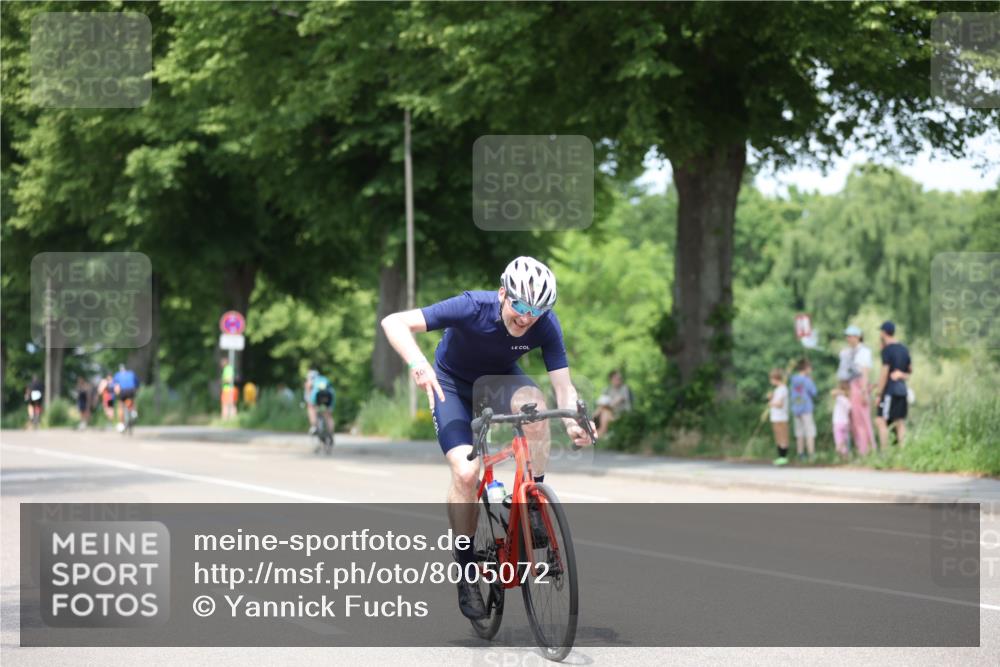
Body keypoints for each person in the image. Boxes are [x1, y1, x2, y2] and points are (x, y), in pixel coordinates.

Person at [379, 256, 595, 621]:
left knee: (538, 409)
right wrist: (419, 364)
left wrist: (575, 422)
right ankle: (465, 570)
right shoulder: (471, 306)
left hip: (500, 381)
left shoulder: (545, 325)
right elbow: (393, 321)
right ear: (502, 294)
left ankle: (533, 500)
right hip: (450, 385)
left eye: (537, 310)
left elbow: (563, 387)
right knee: (466, 473)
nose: (526, 317)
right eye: (521, 306)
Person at [837, 325, 875, 456]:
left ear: (858, 337)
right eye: (847, 336)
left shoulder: (864, 352)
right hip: (850, 387)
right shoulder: (846, 352)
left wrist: (864, 392)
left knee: (862, 421)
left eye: (851, 336)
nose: (848, 338)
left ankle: (867, 451)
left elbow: (864, 372)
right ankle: (858, 449)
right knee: (853, 422)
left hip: (860, 387)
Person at [874, 321, 912, 451]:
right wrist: (901, 374)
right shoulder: (904, 349)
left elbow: (884, 373)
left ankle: (884, 453)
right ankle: (903, 453)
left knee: (880, 420)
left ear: (884, 333)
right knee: (899, 422)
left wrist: (879, 394)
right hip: (902, 390)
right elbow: (909, 371)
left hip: (890, 391)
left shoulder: (887, 350)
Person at [789, 359, 817, 461]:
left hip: (796, 407)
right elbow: (814, 392)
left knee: (799, 432)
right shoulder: (807, 380)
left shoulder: (793, 379)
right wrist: (811, 381)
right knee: (810, 431)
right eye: (809, 368)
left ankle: (800, 454)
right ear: (806, 369)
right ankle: (811, 454)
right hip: (806, 408)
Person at [595, 369, 633, 438]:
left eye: (620, 378)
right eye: (617, 378)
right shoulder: (608, 389)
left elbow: (615, 402)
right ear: (611, 379)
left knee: (604, 411)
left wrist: (604, 405)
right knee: (602, 410)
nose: (619, 380)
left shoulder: (624, 388)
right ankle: (594, 426)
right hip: (610, 413)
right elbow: (601, 402)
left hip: (622, 414)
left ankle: (601, 432)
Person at [767, 368, 790, 466]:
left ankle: (783, 457)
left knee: (782, 437)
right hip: (775, 416)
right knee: (778, 437)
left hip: (781, 417)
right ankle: (780, 456)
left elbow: (780, 404)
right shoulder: (777, 390)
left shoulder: (783, 389)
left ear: (775, 378)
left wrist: (771, 403)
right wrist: (771, 398)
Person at [304, 369, 335, 436]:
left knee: (311, 408)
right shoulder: (324, 379)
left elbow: (308, 397)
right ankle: (331, 433)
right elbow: (332, 392)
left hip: (317, 397)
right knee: (328, 415)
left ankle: (314, 426)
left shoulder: (309, 381)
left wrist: (308, 402)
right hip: (329, 396)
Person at [112, 364, 139, 432]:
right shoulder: (131, 373)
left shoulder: (117, 375)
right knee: (132, 401)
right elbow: (137, 383)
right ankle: (133, 411)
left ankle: (121, 424)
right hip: (131, 390)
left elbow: (115, 385)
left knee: (120, 406)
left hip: (123, 391)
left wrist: (115, 393)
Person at [831, 380, 852, 460]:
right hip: (845, 423)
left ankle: (839, 451)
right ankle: (845, 456)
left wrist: (841, 392)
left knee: (839, 441)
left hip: (837, 423)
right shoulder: (848, 401)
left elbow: (833, 393)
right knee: (845, 441)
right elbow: (850, 409)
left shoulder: (839, 398)